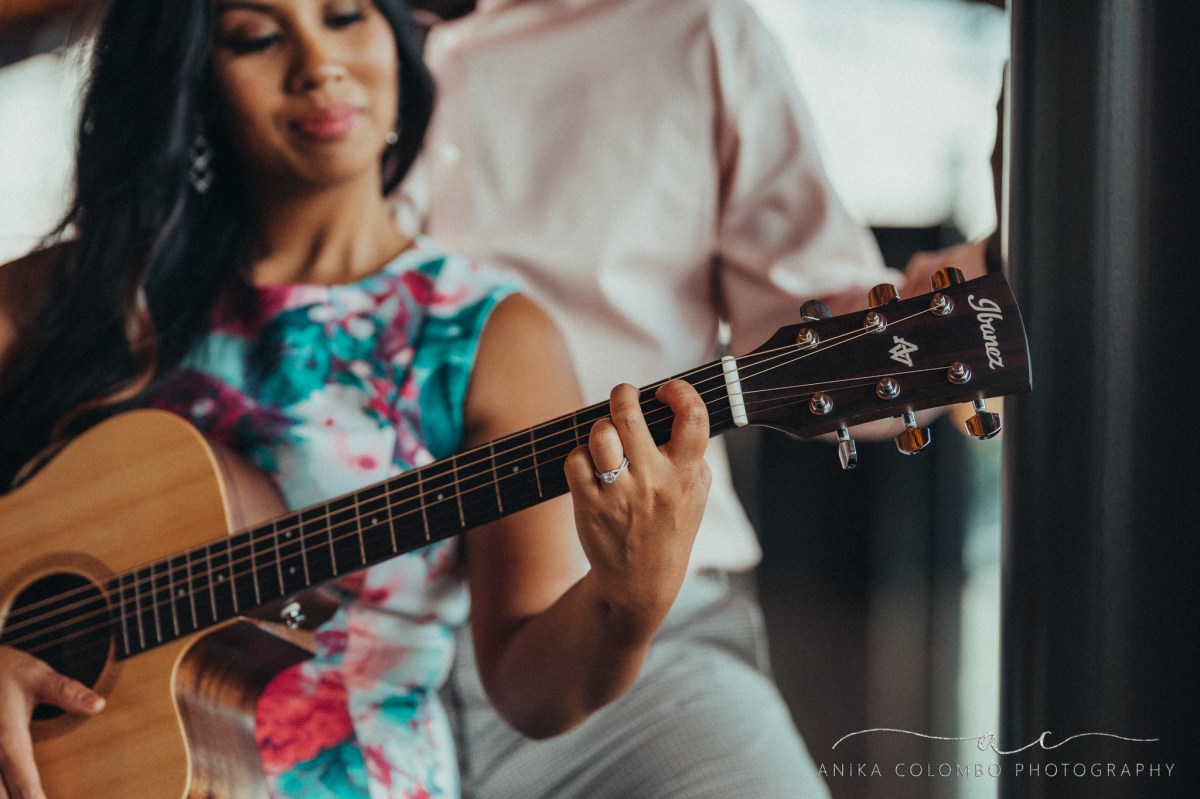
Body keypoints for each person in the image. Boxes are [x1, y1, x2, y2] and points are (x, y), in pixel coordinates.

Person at [0, 2, 713, 798]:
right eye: (258, 37)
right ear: (194, 83)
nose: (319, 65)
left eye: (344, 15)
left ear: (399, 42)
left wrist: (630, 597)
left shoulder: (485, 334)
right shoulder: (57, 300)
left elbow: (531, 689)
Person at [396, 1, 904, 797]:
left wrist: (910, 326)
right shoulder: (290, 33)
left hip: (642, 639)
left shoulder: (696, 27)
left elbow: (823, 328)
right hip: (320, 623)